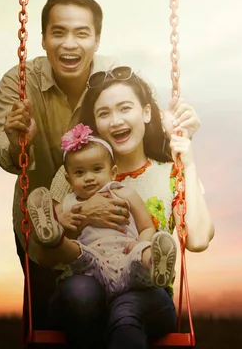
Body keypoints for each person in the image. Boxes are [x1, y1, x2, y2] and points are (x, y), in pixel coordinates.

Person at [0, 0, 206, 347]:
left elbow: (146, 125)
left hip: (128, 254)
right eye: (58, 32)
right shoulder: (20, 83)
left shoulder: (114, 78)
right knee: (68, 302)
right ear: (43, 38)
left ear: (97, 38)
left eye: (81, 33)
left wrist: (177, 135)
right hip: (52, 216)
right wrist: (19, 140)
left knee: (127, 302)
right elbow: (3, 151)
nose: (69, 44)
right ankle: (54, 231)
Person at [44, 66, 214, 348]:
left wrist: (188, 162)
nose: (115, 121)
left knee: (127, 310)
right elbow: (42, 252)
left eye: (125, 108)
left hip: (144, 294)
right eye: (104, 113)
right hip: (84, 285)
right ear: (95, 124)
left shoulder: (169, 174)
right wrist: (80, 214)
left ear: (146, 113)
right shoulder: (71, 176)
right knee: (83, 295)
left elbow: (197, 239)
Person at [27, 122, 178, 298]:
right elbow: (40, 243)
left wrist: (139, 242)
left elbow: (146, 227)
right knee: (76, 252)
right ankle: (56, 238)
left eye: (97, 169)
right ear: (68, 180)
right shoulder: (69, 203)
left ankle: (154, 263)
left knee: (140, 255)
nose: (89, 178)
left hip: (126, 255)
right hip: (93, 262)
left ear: (113, 172)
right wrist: (59, 222)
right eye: (79, 173)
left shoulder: (124, 194)